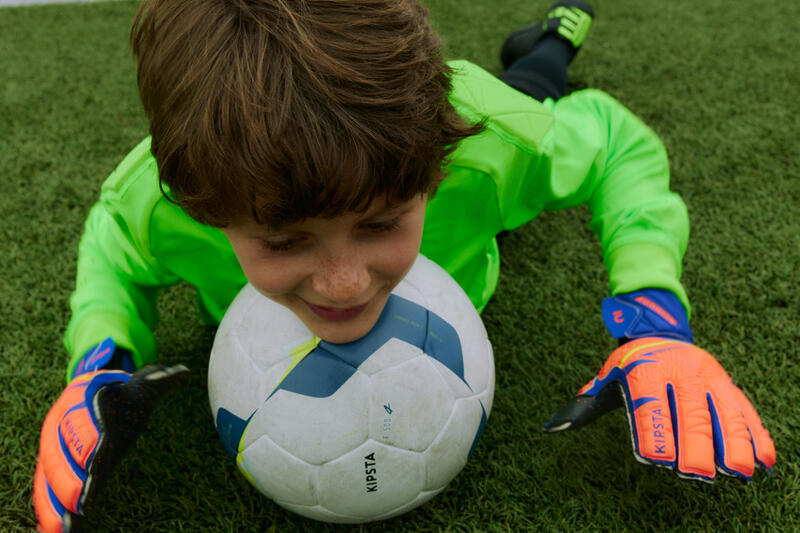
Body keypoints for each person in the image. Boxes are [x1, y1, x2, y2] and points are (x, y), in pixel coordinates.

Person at [32, 0, 776, 531]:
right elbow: (112, 247)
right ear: (203, 208)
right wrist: (101, 358)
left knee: (532, 91)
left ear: (429, 172)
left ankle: (556, 33)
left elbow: (617, 144)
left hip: (487, 162)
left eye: (382, 222)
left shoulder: (482, 142)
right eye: (285, 241)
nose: (345, 282)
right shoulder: (161, 200)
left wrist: (655, 321)